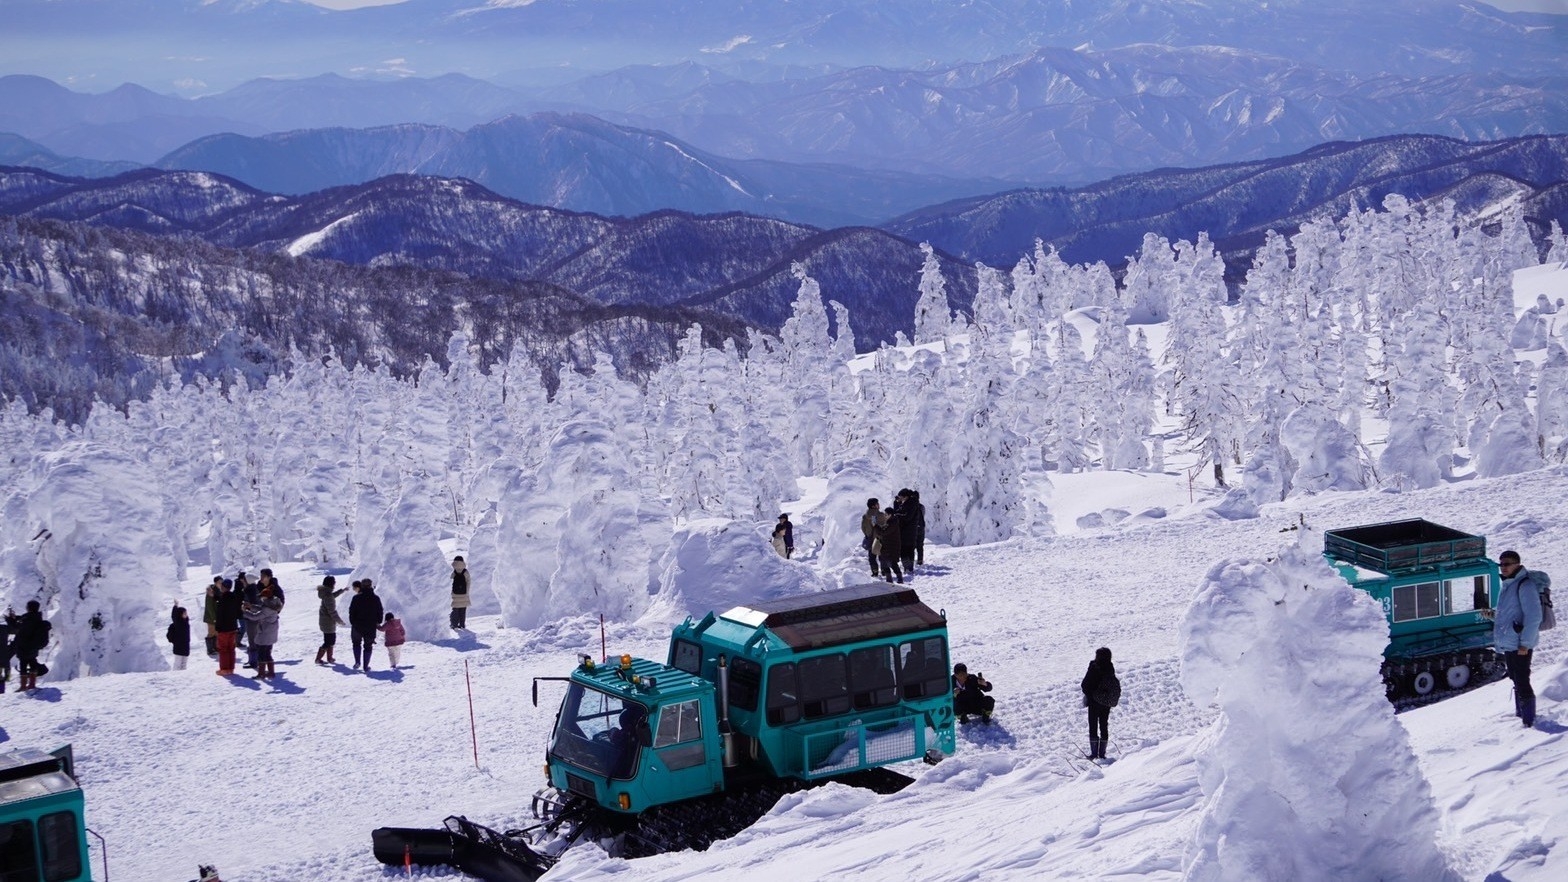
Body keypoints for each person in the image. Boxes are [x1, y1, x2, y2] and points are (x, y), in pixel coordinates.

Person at [1494, 550, 1544, 728]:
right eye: (1501, 564)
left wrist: (1526, 643)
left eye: (1507, 564)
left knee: (1522, 678)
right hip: (1509, 642)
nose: (1503, 568)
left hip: (1520, 643)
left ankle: (1528, 721)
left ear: (1517, 564)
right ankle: (1520, 713)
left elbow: (1534, 616)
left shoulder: (1525, 585)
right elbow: (1508, 614)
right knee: (1515, 677)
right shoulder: (1508, 584)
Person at [1081, 647, 1119, 759]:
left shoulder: (1094, 667)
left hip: (1094, 701)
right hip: (1106, 702)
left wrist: (1090, 695)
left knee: (1093, 726)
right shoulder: (1110, 668)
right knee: (1104, 725)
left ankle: (1094, 754)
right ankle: (1102, 754)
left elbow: (1085, 685)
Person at [242, 586, 282, 680]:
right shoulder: (272, 604)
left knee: (261, 654)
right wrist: (251, 606)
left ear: (266, 598)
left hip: (265, 633)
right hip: (271, 633)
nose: (261, 598)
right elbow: (261, 609)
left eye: (262, 597)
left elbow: (256, 616)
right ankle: (271, 672)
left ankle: (261, 673)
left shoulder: (268, 608)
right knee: (267, 653)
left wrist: (245, 612)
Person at [11, 600, 51, 692]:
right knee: (32, 663)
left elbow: (18, 628)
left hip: (24, 646)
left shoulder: (27, 619)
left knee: (23, 664)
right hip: (33, 647)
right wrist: (17, 618)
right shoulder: (37, 618)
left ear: (28, 607)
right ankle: (32, 684)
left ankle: (23, 686)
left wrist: (11, 620)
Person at [349, 578, 385, 671]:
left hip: (357, 625)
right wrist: (378, 621)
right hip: (370, 626)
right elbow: (380, 611)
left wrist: (353, 622)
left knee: (356, 643)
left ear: (361, 585)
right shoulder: (375, 598)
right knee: (368, 646)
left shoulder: (356, 598)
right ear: (370, 585)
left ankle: (357, 661)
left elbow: (351, 611)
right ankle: (366, 666)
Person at [315, 575, 348, 665]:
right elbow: (332, 612)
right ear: (331, 584)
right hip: (328, 622)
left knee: (330, 640)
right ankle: (318, 659)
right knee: (329, 641)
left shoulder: (326, 593)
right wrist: (340, 621)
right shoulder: (328, 595)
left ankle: (330, 658)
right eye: (334, 582)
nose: (335, 584)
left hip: (325, 621)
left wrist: (342, 591)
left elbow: (332, 596)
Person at [213, 579, 242, 676]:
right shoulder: (233, 597)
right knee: (231, 648)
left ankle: (224, 669)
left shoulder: (223, 599)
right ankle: (230, 668)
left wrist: (218, 627)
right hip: (233, 626)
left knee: (223, 649)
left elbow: (220, 614)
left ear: (224, 586)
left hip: (224, 628)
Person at [876, 506, 904, 584]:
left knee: (892, 563)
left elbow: (884, 532)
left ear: (890, 515)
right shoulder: (889, 522)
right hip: (886, 546)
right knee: (884, 562)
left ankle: (899, 578)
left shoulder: (893, 523)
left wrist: (875, 526)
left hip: (892, 547)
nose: (884, 515)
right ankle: (889, 580)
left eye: (886, 514)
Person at [894, 490, 918, 578]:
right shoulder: (910, 503)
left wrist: (896, 515)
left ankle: (908, 567)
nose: (899, 499)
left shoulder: (910, 504)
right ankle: (909, 567)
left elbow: (907, 517)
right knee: (908, 549)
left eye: (900, 497)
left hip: (907, 531)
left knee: (905, 549)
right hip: (908, 531)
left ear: (905, 497)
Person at [167, 603, 191, 670]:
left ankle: (182, 676)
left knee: (184, 663)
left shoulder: (186, 622)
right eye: (184, 613)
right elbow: (174, 616)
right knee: (178, 663)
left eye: (186, 613)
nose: (186, 614)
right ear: (180, 614)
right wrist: (175, 606)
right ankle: (176, 676)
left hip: (186, 646)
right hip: (178, 646)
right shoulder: (178, 622)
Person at [860, 498, 881, 577]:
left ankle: (875, 571)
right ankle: (884, 571)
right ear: (874, 506)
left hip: (870, 538)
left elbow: (863, 528)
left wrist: (868, 535)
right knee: (881, 556)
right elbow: (875, 526)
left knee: (872, 557)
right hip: (878, 539)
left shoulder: (865, 516)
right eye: (877, 503)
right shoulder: (875, 515)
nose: (879, 505)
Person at [450, 556, 471, 630]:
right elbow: (468, 582)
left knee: (455, 610)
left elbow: (449, 582)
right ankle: (462, 624)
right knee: (462, 610)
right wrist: (466, 592)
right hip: (464, 594)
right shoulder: (465, 571)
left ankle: (454, 625)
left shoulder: (452, 571)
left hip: (454, 594)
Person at [203, 577, 221, 656]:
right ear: (216, 583)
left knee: (216, 632)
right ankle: (210, 649)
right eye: (219, 582)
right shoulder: (211, 592)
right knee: (211, 632)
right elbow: (210, 607)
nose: (221, 584)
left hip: (217, 616)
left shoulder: (219, 591)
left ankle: (215, 647)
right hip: (211, 617)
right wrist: (214, 618)